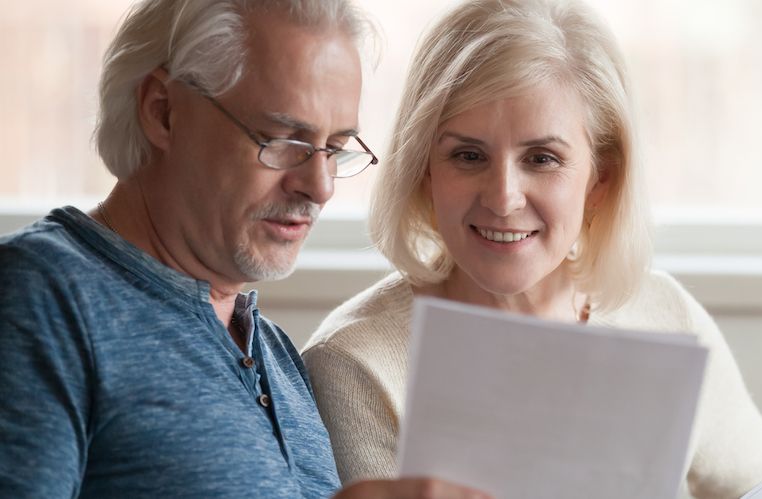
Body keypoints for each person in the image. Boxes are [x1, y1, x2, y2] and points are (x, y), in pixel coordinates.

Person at [302, 0, 762, 497]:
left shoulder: (662, 313)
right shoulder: (356, 364)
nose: (502, 197)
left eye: (542, 158)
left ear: (600, 179)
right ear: (425, 169)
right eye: (468, 155)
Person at [0, 1, 489, 498]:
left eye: (335, 148)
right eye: (283, 141)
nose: (319, 187)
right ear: (162, 112)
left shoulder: (273, 352)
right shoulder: (37, 297)